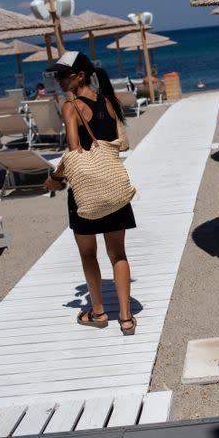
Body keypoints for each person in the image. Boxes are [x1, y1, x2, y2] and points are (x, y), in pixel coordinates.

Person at [44, 51, 137, 336]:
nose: (57, 80)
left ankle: (98, 312)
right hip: (113, 187)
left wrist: (53, 178)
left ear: (79, 75)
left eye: (62, 75)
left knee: (88, 254)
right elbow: (118, 144)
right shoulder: (108, 101)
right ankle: (126, 318)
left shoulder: (70, 106)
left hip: (86, 192)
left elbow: (75, 152)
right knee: (118, 253)